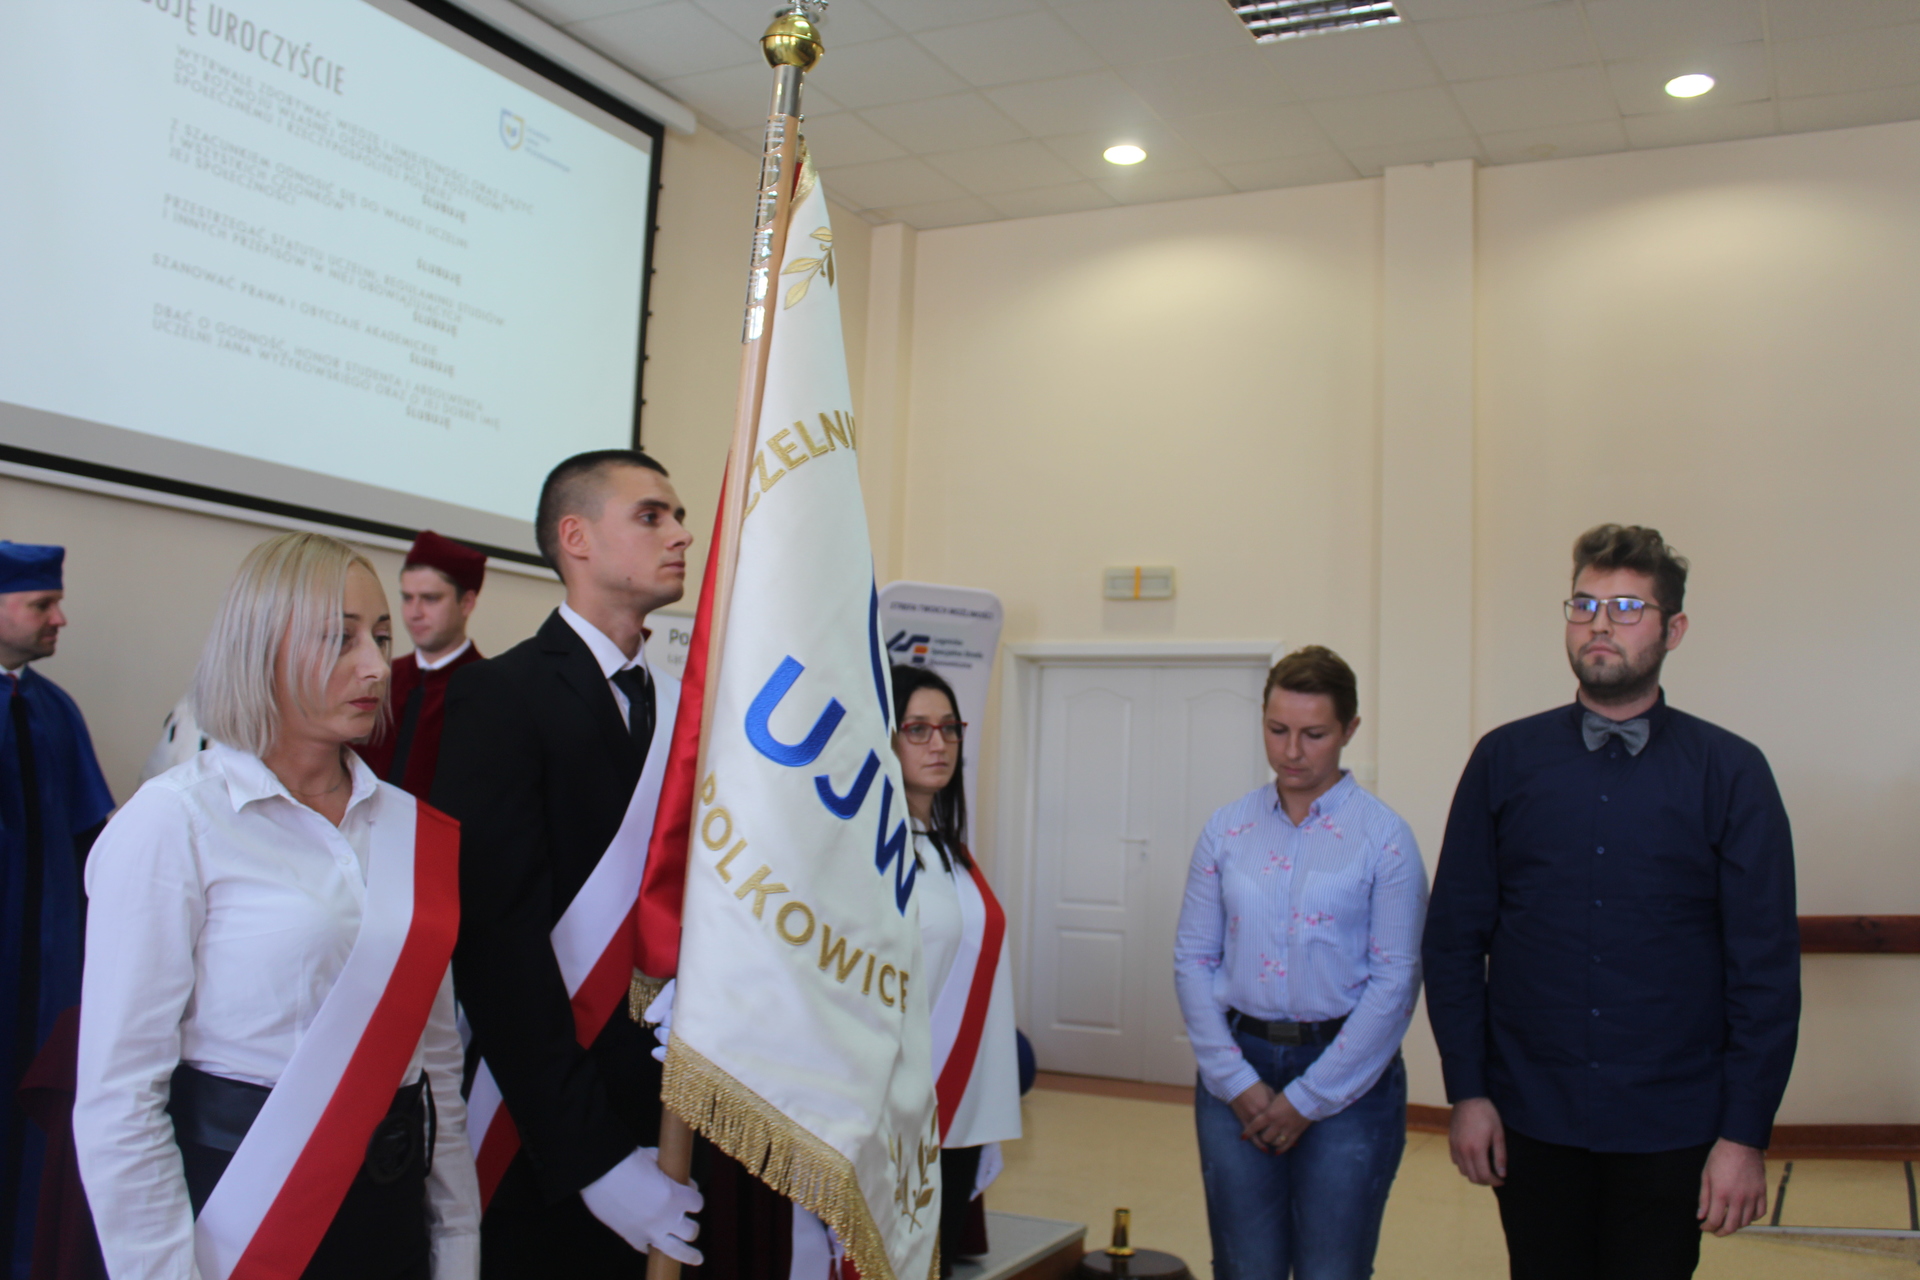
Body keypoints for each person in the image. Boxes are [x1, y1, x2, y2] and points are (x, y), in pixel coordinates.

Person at [73, 531, 480, 1278]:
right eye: (340, 638)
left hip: (390, 1218)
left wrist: (457, 1247)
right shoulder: (176, 821)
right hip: (243, 1215)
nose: (374, 667)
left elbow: (437, 1069)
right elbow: (119, 1098)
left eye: (381, 637)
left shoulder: (409, 829)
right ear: (261, 647)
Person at [1423, 524, 1799, 1280]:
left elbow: (1763, 971)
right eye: (1584, 605)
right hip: (1530, 1115)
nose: (1600, 623)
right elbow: (1454, 941)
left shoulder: (1731, 772)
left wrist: (1743, 1135)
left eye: (1627, 607)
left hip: (1672, 1123)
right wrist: (1468, 1093)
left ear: (1673, 630)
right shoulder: (1504, 760)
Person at [432, 451, 702, 1274]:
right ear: (576, 538)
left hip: (680, 1108)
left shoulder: (690, 709)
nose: (682, 534)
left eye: (679, 516)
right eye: (652, 516)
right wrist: (592, 1159)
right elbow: (497, 947)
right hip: (551, 1136)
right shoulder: (499, 697)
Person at [1173, 645, 1426, 1280]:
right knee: (1244, 1266)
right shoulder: (1227, 830)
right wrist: (1234, 1081)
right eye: (1277, 729)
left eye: (1314, 734)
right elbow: (1193, 958)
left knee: (1331, 1269)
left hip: (1348, 1074)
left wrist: (1309, 1098)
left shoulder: (1384, 838)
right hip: (1238, 1067)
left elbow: (1396, 981)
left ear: (1349, 730)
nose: (1291, 751)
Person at [0, 541, 113, 1279]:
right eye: (42, 604)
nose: (59, 619)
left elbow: (92, 842)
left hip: (47, 978)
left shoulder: (54, 709)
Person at [887, 665, 1020, 1274]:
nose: (938, 744)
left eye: (949, 728)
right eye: (917, 729)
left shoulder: (948, 847)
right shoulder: (868, 855)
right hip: (898, 1111)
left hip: (960, 1106)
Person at [355, 531, 487, 797]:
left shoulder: (490, 690)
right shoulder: (379, 678)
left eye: (430, 598)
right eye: (407, 598)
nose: (414, 613)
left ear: (466, 603)